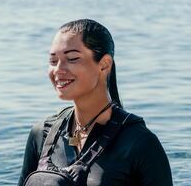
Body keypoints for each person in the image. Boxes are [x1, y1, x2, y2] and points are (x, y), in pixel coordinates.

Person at [18, 19, 173, 186]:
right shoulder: (42, 133)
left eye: (72, 58)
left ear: (104, 64)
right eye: (53, 61)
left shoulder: (139, 143)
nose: (58, 70)